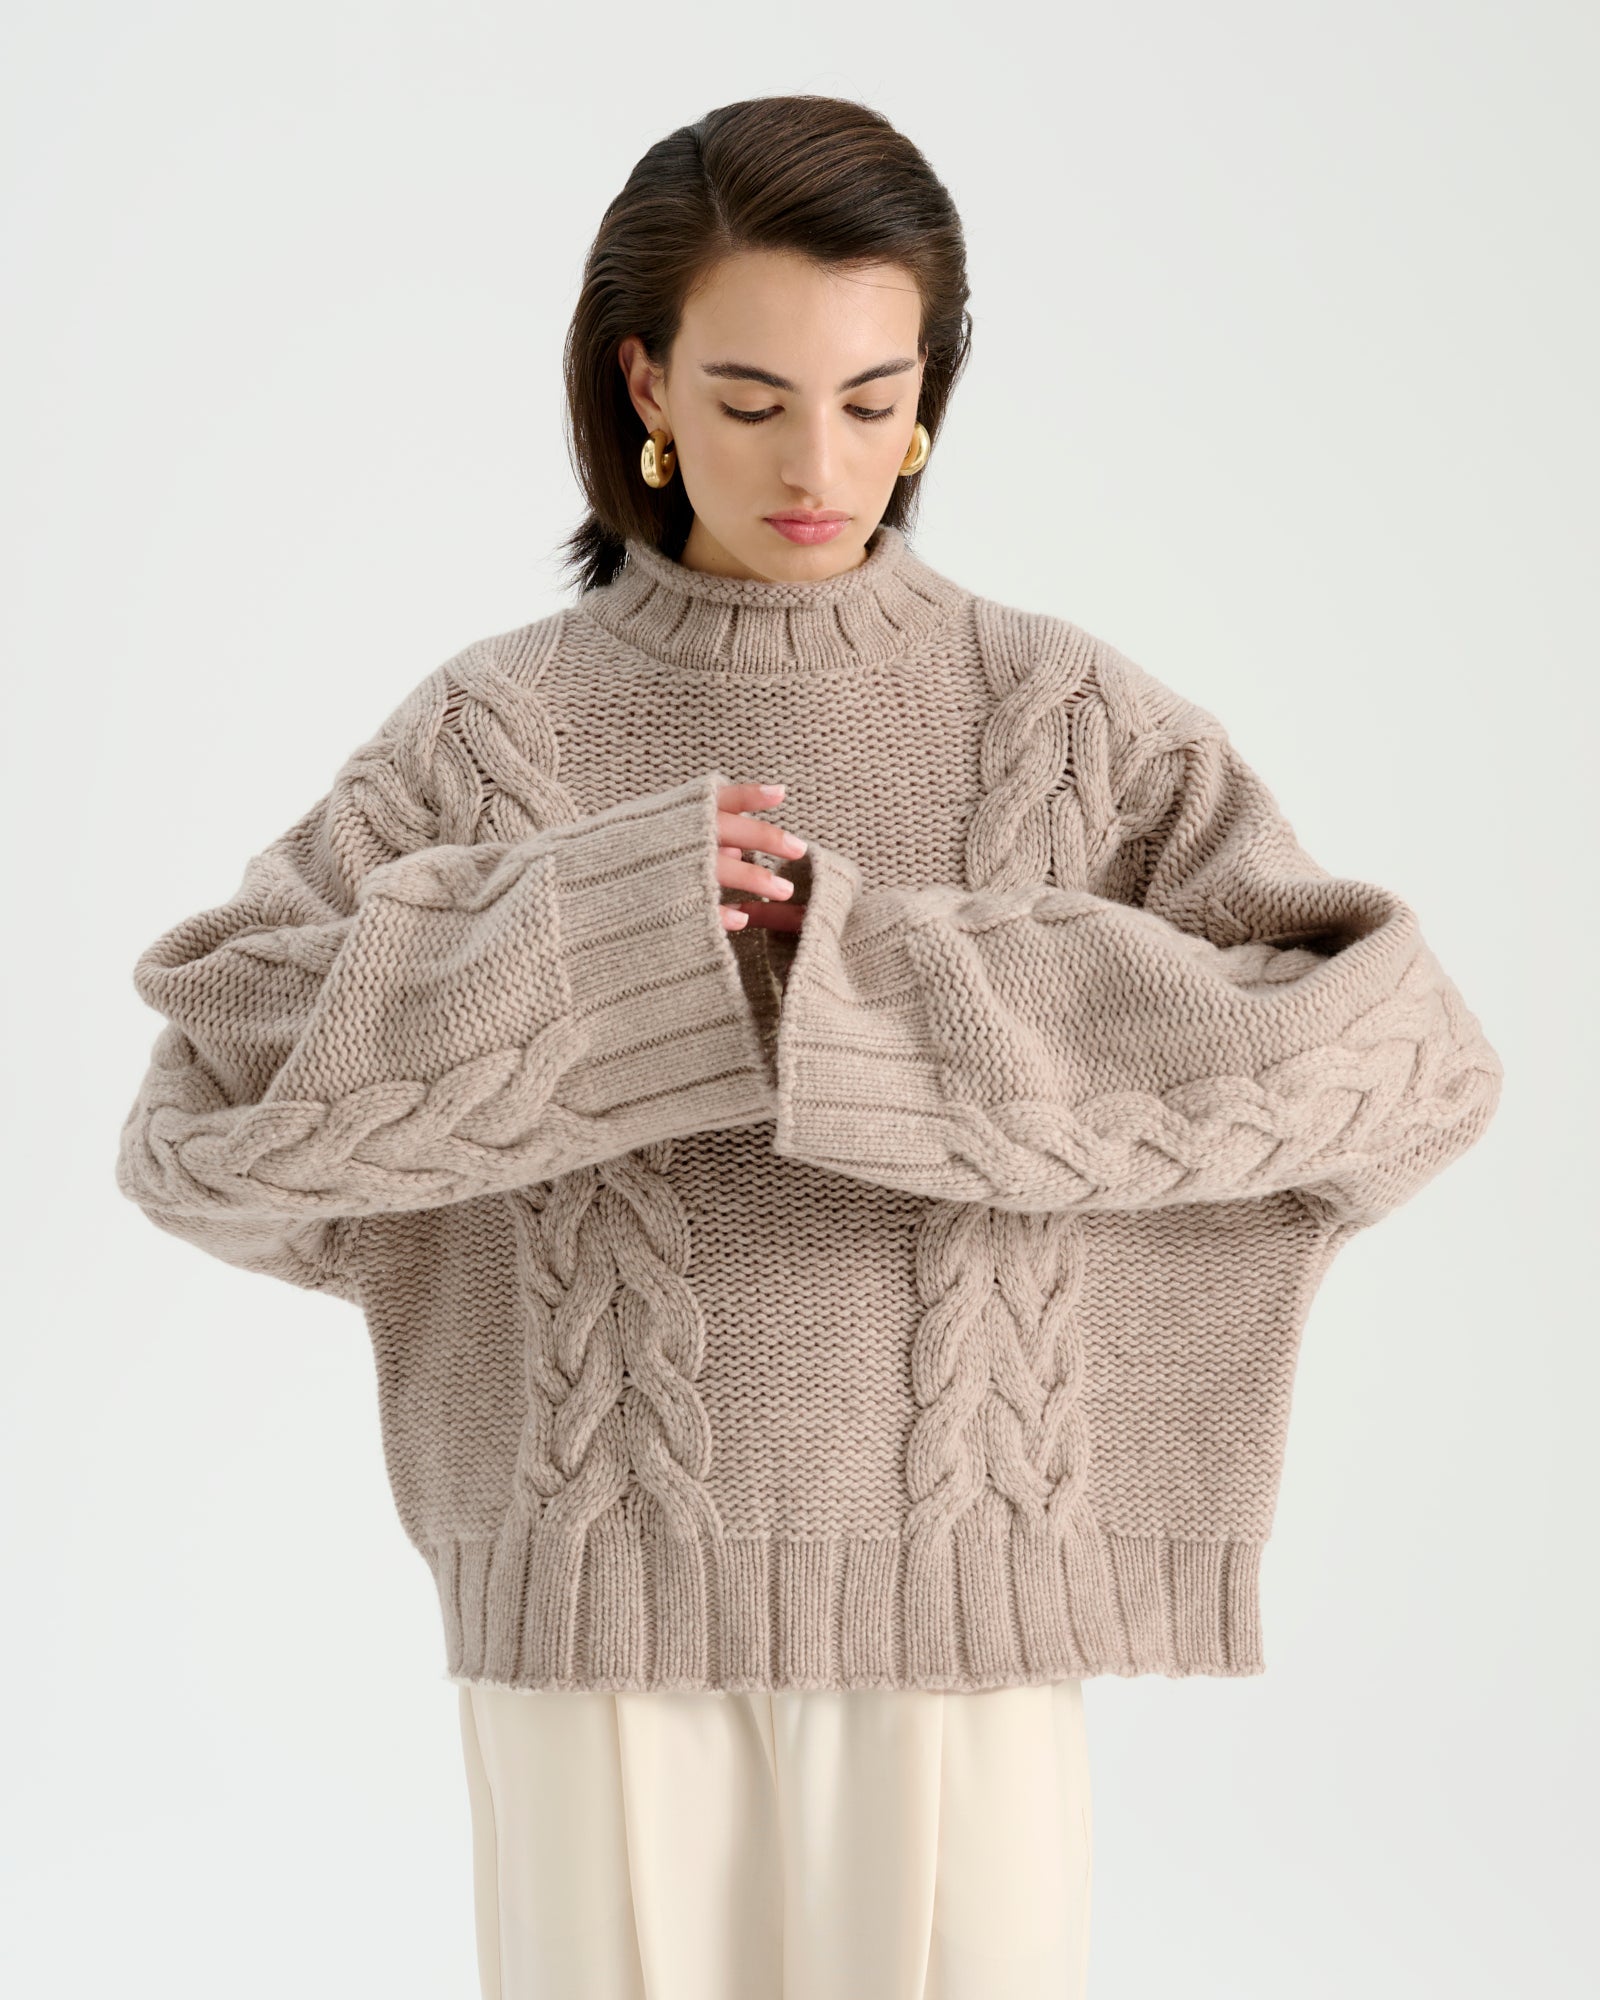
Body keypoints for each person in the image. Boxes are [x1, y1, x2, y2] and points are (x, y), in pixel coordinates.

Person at [113, 94, 1502, 2000]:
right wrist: (592, 932)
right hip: (593, 1624)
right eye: (753, 399)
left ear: (929, 395)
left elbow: (1403, 1062)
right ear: (646, 384)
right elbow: (208, 1110)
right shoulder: (491, 732)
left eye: (872, 398)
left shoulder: (1064, 716)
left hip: (966, 1622)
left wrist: (872, 978)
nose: (819, 463)